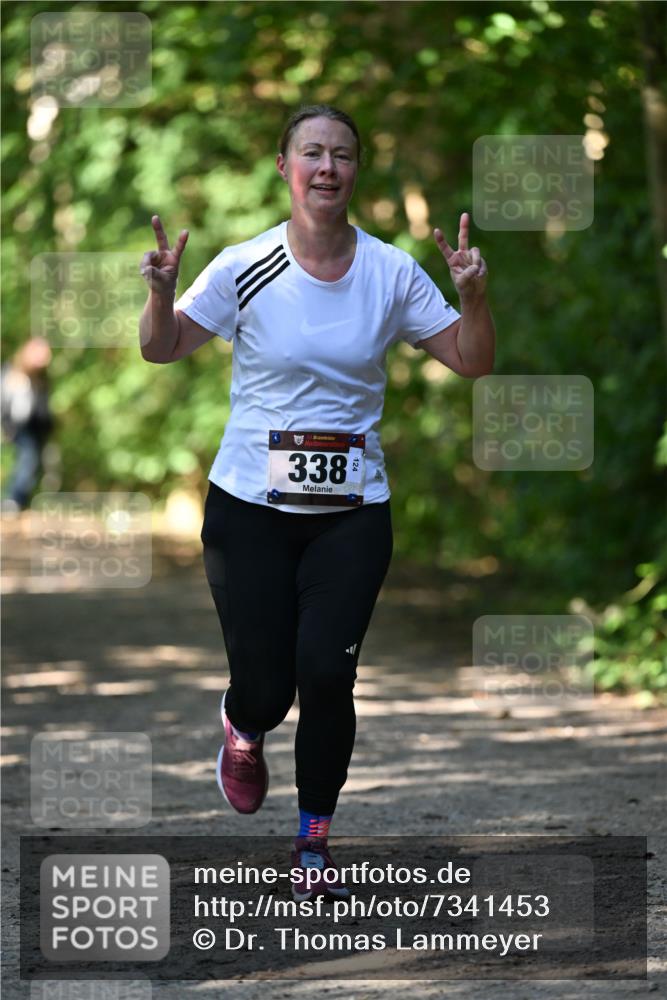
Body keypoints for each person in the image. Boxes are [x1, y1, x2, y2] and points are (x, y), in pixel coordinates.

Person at [139, 104, 494, 901]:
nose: (327, 167)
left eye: (341, 155)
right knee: (268, 687)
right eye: (312, 152)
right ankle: (242, 722)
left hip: (353, 511)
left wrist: (471, 295)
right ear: (284, 167)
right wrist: (161, 293)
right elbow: (160, 348)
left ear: (355, 172)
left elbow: (472, 361)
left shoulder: (392, 271)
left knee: (326, 676)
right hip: (249, 512)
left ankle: (312, 846)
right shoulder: (244, 264)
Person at [1, 336, 54, 512]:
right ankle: (13, 499)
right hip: (11, 426)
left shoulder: (40, 380)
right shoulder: (10, 374)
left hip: (32, 430)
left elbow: (41, 409)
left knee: (30, 461)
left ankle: (16, 500)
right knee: (25, 459)